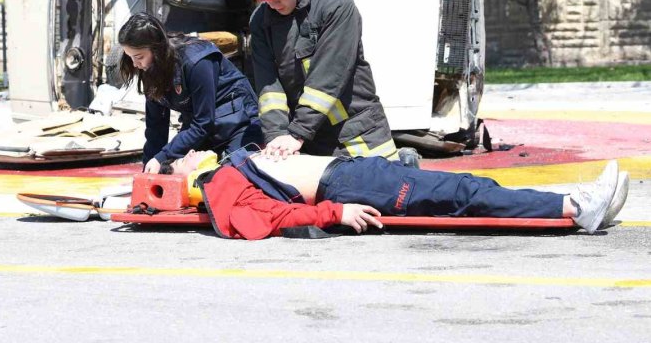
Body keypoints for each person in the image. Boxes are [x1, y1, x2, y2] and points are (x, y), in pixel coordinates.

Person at [161, 149, 630, 240]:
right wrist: (334, 212)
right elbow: (271, 218)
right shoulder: (219, 187)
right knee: (463, 193)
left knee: (464, 189)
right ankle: (578, 206)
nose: (188, 151)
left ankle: (577, 204)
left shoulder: (229, 168)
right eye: (181, 157)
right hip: (347, 186)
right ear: (186, 176)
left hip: (352, 172)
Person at [243, 0, 399, 162]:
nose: (272, 6)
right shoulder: (261, 20)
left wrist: (297, 133)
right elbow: (269, 87)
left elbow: (327, 77)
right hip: (310, 138)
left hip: (356, 131)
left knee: (390, 189)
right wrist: (277, 136)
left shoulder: (336, 7)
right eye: (266, 1)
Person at [118, 12, 263, 174]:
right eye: (130, 57)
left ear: (157, 49)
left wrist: (161, 157)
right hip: (201, 129)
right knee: (173, 170)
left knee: (231, 174)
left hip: (238, 124)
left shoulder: (197, 61)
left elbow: (203, 122)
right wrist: (148, 168)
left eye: (139, 57)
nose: (135, 64)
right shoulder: (149, 69)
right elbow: (155, 127)